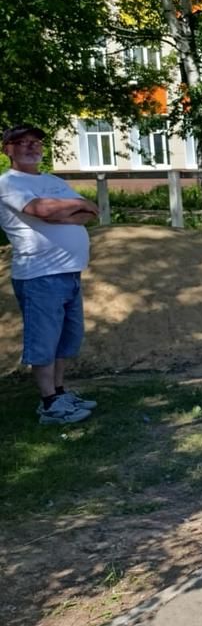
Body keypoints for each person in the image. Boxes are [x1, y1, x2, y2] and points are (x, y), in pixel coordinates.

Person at [0, 124, 99, 424]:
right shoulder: (8, 183)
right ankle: (49, 405)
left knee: (64, 340)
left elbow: (89, 214)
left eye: (35, 142)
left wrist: (73, 208)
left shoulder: (52, 181)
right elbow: (41, 210)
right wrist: (76, 204)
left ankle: (59, 392)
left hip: (69, 273)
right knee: (43, 342)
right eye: (21, 143)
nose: (30, 147)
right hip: (39, 275)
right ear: (8, 150)